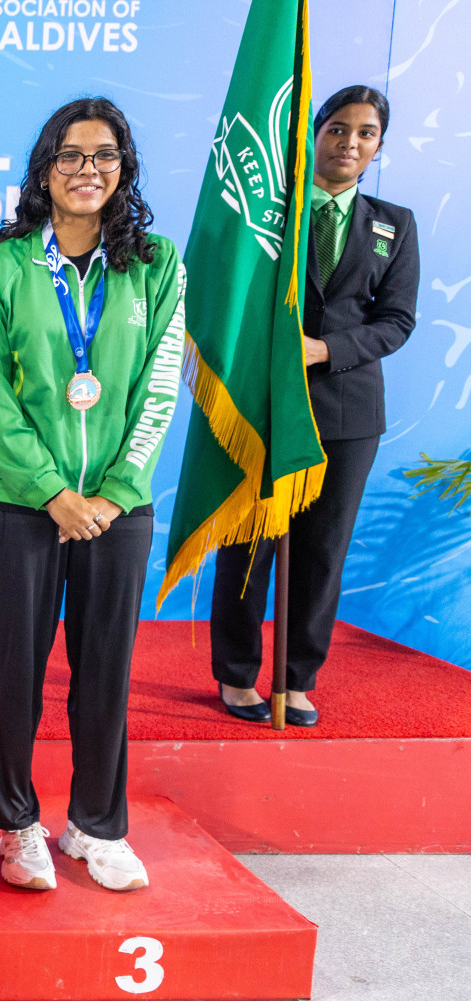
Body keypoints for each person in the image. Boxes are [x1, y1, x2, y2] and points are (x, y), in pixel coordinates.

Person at [0, 98, 186, 892]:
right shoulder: (1, 267)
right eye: (70, 155)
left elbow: (163, 385)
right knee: (14, 672)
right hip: (21, 505)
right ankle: (17, 824)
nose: (87, 170)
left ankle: (95, 825)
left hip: (119, 511)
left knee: (106, 672)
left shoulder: (157, 266)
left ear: (124, 169)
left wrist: (117, 490)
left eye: (104, 155)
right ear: (44, 168)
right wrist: (53, 491)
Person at [211, 86, 419, 727]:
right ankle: (237, 675)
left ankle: (296, 678)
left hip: (349, 415)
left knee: (323, 549)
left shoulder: (395, 223)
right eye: (336, 128)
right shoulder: (271, 211)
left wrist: (323, 349)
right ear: (313, 133)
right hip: (266, 407)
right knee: (252, 542)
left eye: (364, 132)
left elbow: (398, 321)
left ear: (379, 144)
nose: (348, 142)